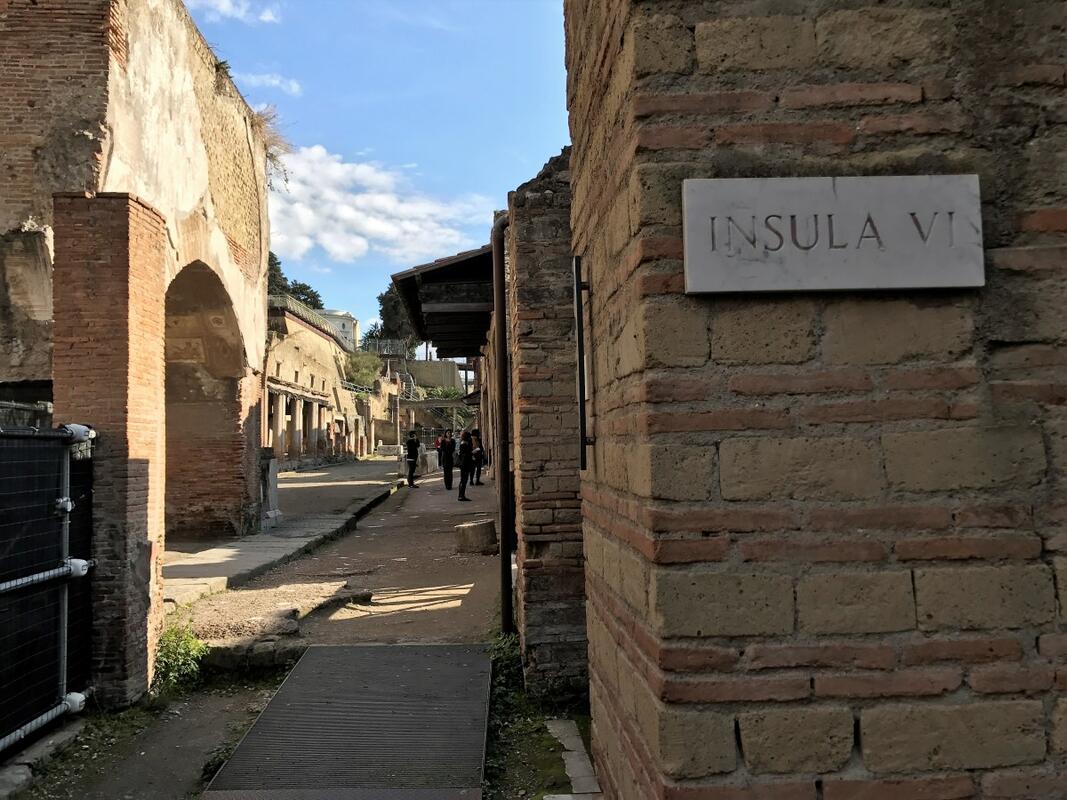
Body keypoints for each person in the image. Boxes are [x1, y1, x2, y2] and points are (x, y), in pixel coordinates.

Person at [457, 430, 473, 501]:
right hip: (465, 464)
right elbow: (467, 454)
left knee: (463, 480)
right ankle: (461, 496)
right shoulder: (464, 444)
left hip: (463, 464)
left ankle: (461, 495)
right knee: (464, 480)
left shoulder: (463, 444)